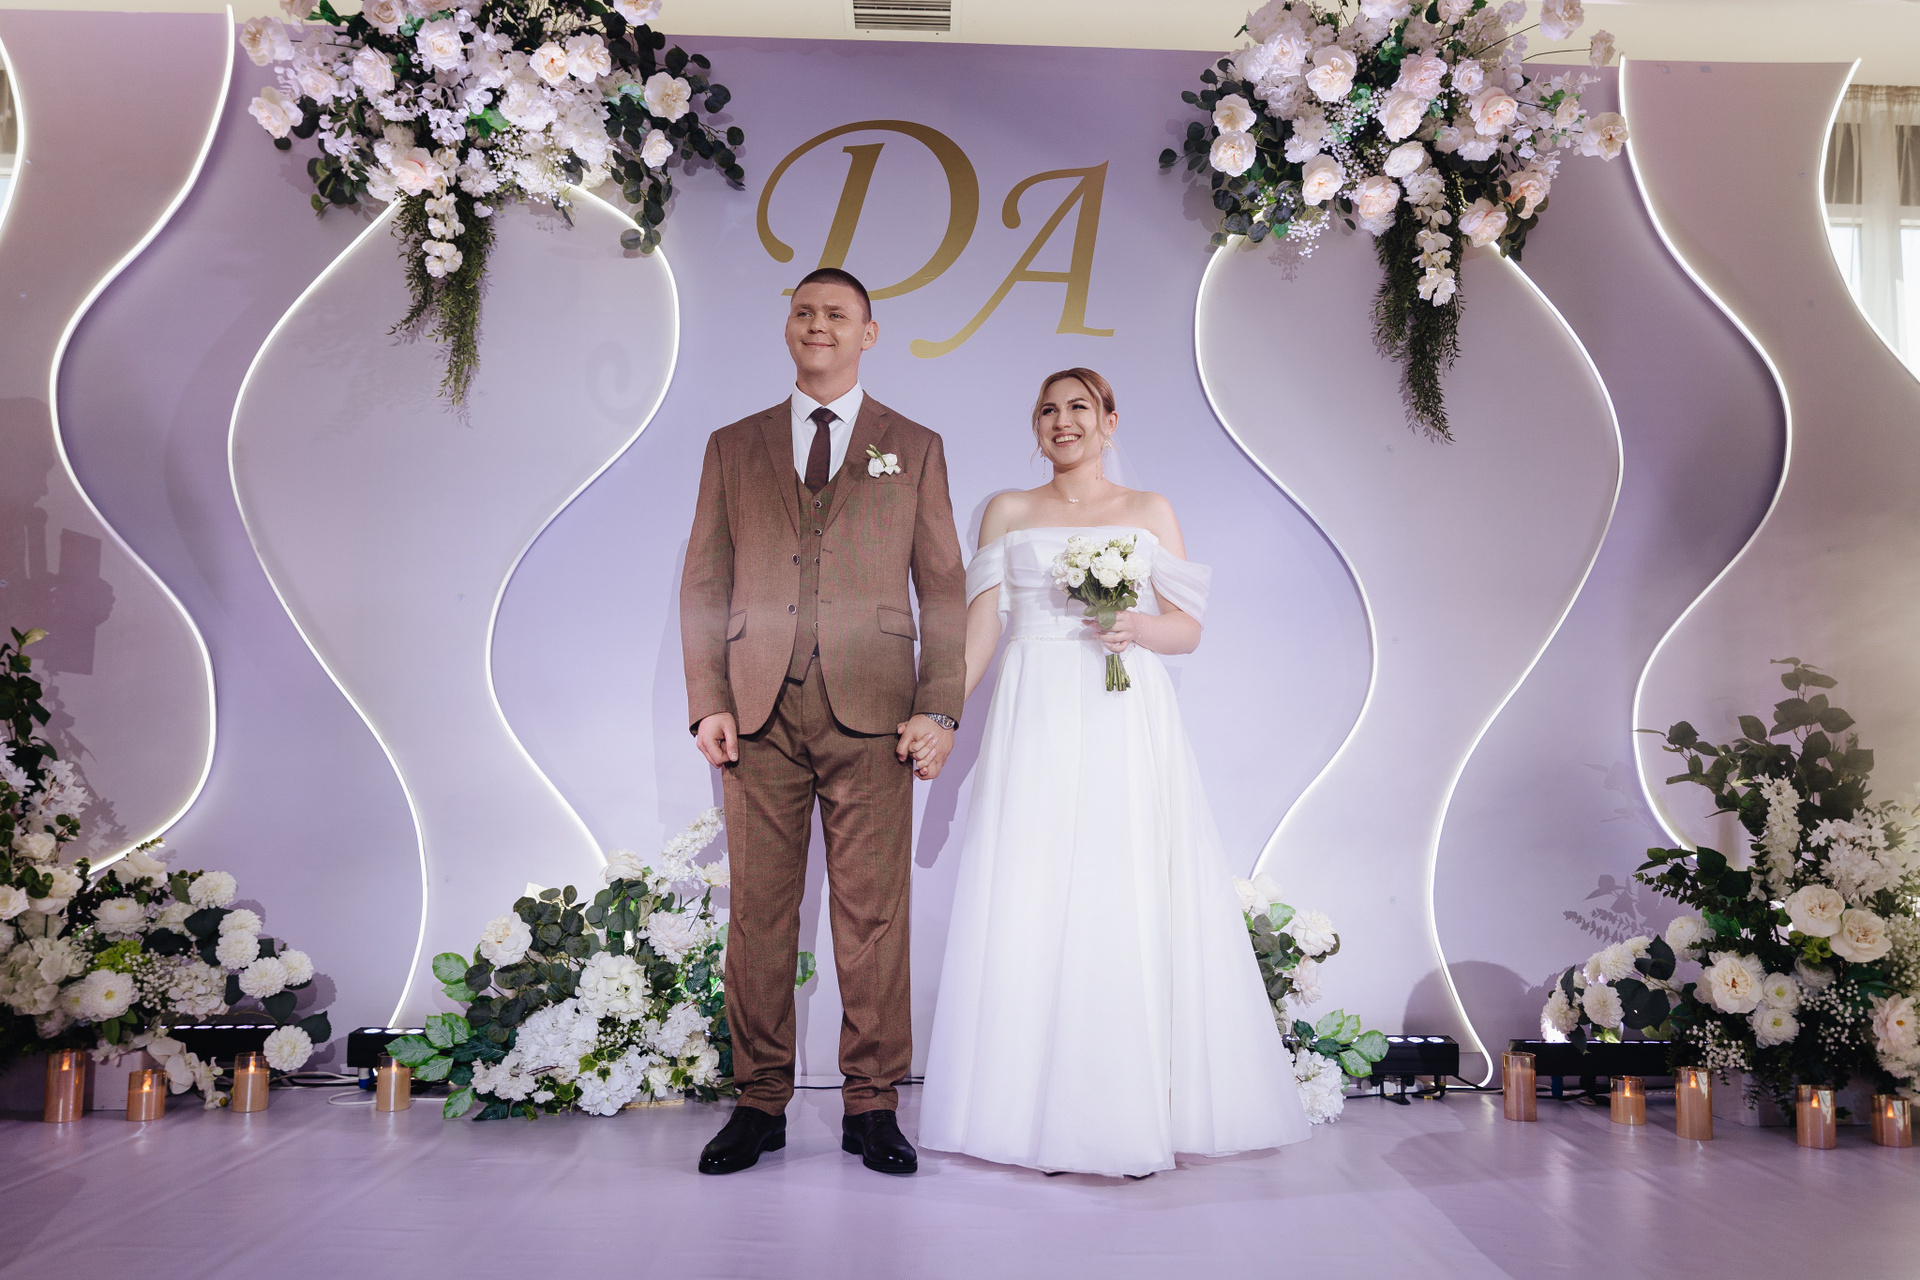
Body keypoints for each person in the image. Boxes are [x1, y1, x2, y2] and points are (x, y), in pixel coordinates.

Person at [917, 367, 1311, 1177]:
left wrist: (1133, 623)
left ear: (1109, 421)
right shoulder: (1006, 510)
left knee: (1119, 894)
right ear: (1036, 426)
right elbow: (982, 631)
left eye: (1079, 407)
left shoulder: (1149, 510)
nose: (1062, 421)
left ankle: (1124, 1116)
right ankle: (1027, 1118)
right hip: (1035, 713)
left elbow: (1187, 629)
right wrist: (942, 714)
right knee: (1034, 894)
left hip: (1121, 714)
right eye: (1048, 410)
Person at [680, 268, 967, 1176]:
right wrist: (708, 697)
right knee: (759, 916)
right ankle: (759, 1102)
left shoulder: (913, 446)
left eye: (837, 314)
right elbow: (704, 579)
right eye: (804, 312)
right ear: (788, 328)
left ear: (867, 334)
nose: (818, 325)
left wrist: (939, 705)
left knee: (873, 919)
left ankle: (872, 1105)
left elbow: (944, 587)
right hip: (757, 708)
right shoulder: (734, 445)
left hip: (875, 710)